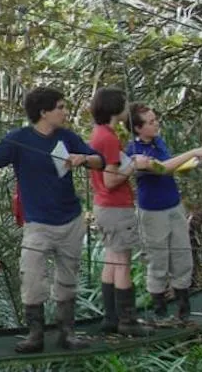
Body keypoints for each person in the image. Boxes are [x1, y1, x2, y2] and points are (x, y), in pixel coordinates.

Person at [0, 87, 102, 353]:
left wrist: (83, 158)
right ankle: (35, 335)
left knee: (67, 278)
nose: (64, 111)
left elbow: (100, 161)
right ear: (44, 112)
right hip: (38, 223)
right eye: (60, 107)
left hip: (70, 219)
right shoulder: (18, 139)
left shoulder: (67, 137)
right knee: (33, 277)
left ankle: (66, 333)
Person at [125, 104, 202, 322]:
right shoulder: (133, 153)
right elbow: (162, 168)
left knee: (182, 256)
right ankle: (160, 312)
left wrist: (192, 162)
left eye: (155, 120)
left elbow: (172, 167)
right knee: (158, 260)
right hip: (152, 213)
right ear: (138, 129)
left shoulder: (158, 142)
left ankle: (184, 310)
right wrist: (192, 151)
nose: (156, 124)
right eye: (150, 122)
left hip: (173, 206)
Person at [87, 88, 151, 336]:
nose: (127, 108)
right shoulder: (109, 138)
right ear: (115, 108)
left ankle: (111, 319)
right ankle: (128, 321)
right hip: (115, 205)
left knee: (112, 259)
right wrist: (133, 166)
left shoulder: (99, 134)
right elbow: (111, 179)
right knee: (122, 262)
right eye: (124, 104)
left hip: (103, 205)